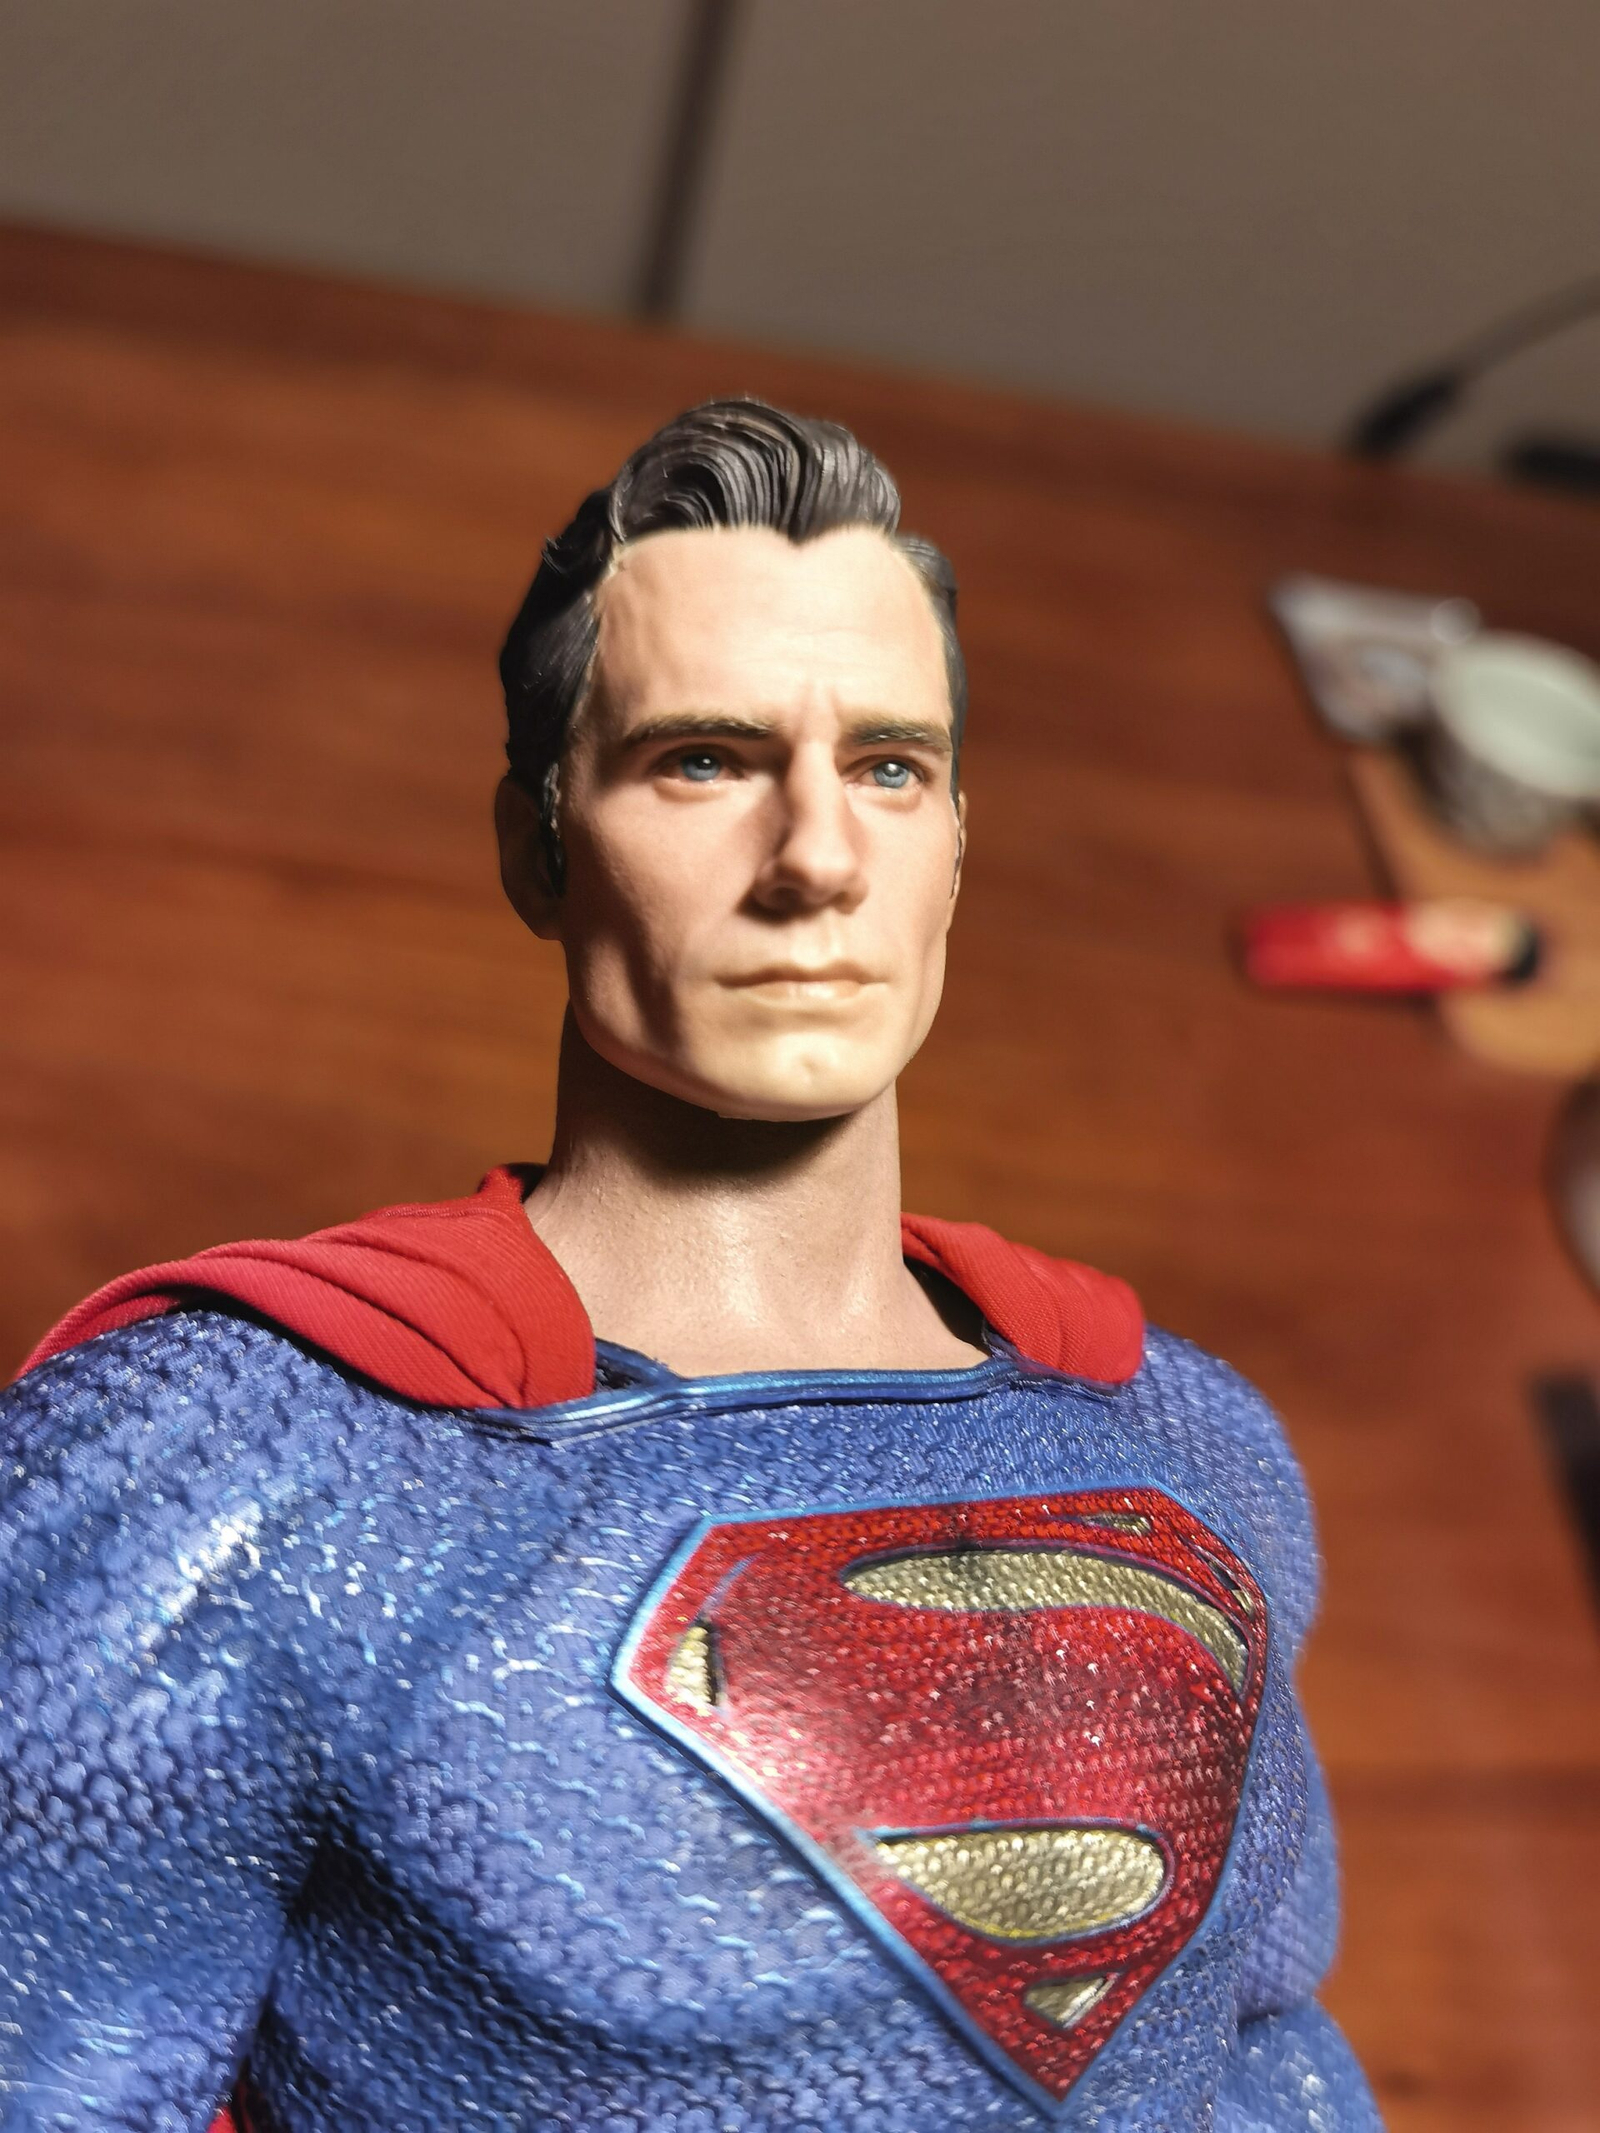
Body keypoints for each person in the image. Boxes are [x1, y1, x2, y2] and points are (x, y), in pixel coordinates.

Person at [0, 401, 1382, 2131]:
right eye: (707, 761)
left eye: (889, 766)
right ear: (539, 845)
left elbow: (1267, 2054)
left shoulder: (1189, 1445)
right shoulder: (221, 1474)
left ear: (956, 841)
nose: (816, 858)